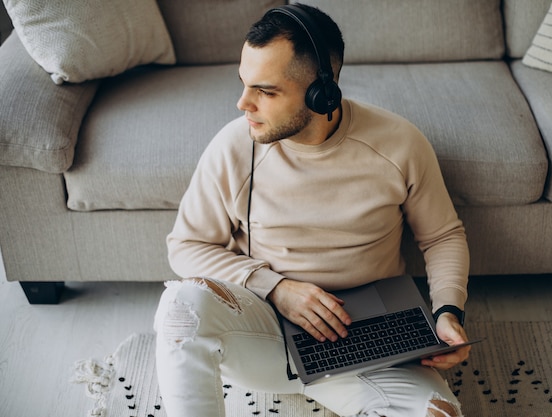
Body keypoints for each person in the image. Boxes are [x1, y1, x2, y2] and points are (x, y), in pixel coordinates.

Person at [153, 4, 471, 417]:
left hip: (371, 342)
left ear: (322, 92)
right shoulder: (234, 147)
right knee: (180, 306)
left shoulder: (400, 144)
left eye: (265, 91)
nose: (242, 104)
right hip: (266, 333)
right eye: (244, 84)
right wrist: (276, 288)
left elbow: (442, 235)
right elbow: (186, 246)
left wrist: (448, 311)